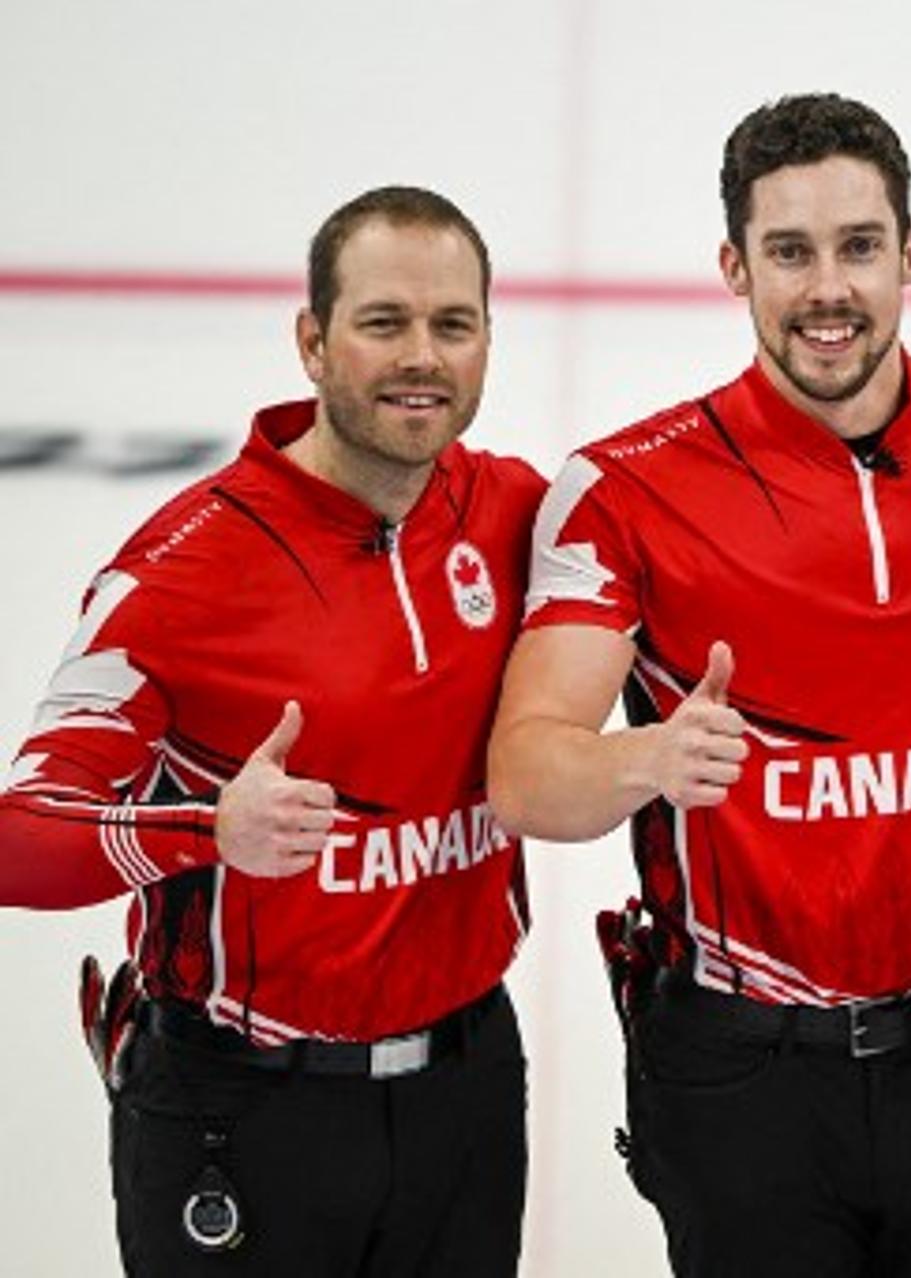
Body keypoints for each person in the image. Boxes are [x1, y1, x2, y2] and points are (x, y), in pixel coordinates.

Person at [487, 93, 911, 1277]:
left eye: (860, 247)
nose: (830, 288)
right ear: (734, 265)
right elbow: (524, 773)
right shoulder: (623, 490)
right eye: (791, 252)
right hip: (741, 1071)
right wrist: (642, 759)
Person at [0, 186, 543, 1276]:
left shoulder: (516, 512)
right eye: (383, 322)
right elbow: (20, 837)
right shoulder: (179, 571)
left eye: (452, 324)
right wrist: (206, 828)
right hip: (239, 1112)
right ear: (312, 340)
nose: (421, 358)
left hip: (468, 1090)